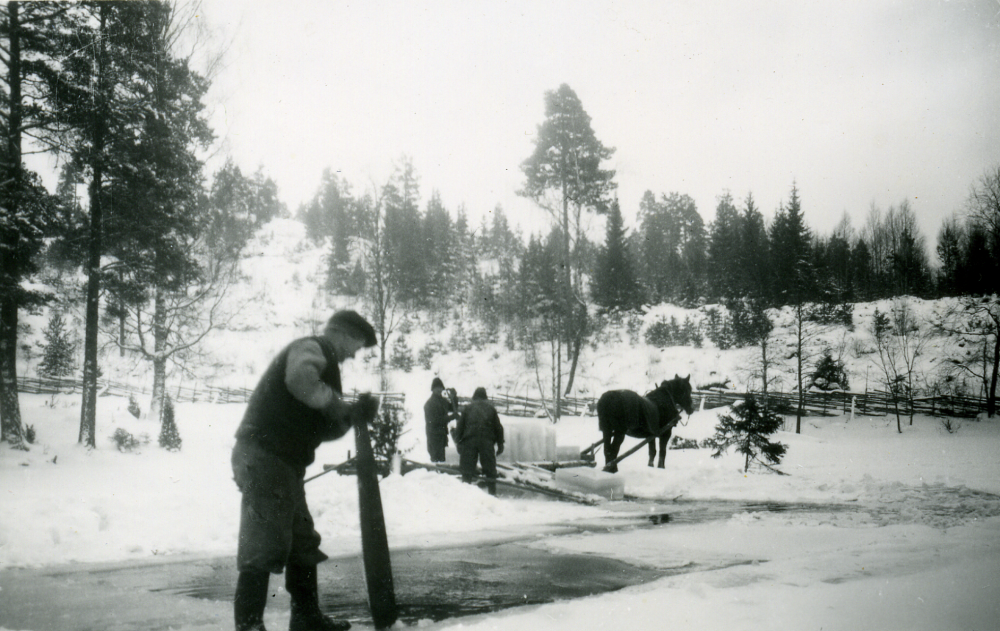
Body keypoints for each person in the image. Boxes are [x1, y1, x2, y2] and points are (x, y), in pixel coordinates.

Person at [231, 310, 379, 631]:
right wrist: (338, 405)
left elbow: (322, 428)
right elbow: (300, 378)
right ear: (341, 333)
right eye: (356, 344)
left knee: (302, 541)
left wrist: (352, 416)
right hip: (265, 456)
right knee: (264, 540)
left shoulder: (326, 367)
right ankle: (249, 626)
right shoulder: (312, 348)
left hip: (282, 463)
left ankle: (306, 619)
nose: (355, 354)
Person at [454, 387, 505, 495]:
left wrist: (458, 442)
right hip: (486, 441)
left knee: (467, 470)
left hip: (469, 441)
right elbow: (498, 428)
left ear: (474, 397)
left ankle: (465, 494)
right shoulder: (491, 409)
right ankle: (492, 493)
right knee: (490, 470)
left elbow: (459, 428)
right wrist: (500, 444)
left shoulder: (468, 408)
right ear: (485, 397)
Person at [423, 377, 457, 462]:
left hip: (442, 435)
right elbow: (435, 420)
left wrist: (454, 397)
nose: (439, 390)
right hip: (433, 436)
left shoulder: (443, 401)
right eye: (436, 388)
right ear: (433, 389)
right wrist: (451, 417)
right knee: (435, 460)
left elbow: (453, 408)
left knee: (443, 459)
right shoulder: (429, 404)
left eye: (440, 388)